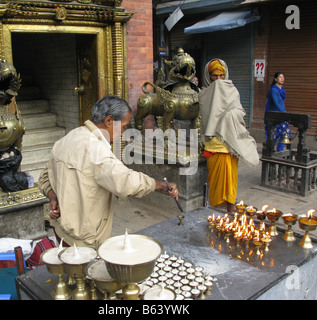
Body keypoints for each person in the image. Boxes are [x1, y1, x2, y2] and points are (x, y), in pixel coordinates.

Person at [38, 95, 179, 248]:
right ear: (109, 121)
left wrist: (52, 196)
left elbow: (44, 178)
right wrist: (159, 185)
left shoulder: (70, 136)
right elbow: (125, 182)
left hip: (60, 231)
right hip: (83, 242)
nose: (123, 133)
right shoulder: (97, 149)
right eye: (123, 126)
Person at [199, 59, 259, 213]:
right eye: (214, 76)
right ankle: (214, 213)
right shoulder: (204, 94)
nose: (218, 80)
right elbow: (203, 120)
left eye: (221, 76)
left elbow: (240, 113)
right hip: (213, 145)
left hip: (229, 144)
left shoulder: (233, 91)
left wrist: (228, 117)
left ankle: (230, 213)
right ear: (208, 76)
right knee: (216, 184)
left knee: (230, 184)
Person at [265, 72, 291, 152]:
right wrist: (284, 113)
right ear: (275, 79)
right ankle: (271, 151)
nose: (282, 79)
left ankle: (280, 150)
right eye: (280, 77)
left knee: (285, 133)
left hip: (282, 114)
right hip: (275, 115)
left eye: (283, 77)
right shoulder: (273, 89)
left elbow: (281, 104)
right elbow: (276, 103)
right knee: (274, 134)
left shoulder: (282, 89)